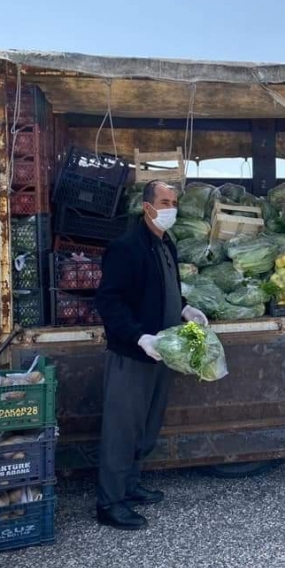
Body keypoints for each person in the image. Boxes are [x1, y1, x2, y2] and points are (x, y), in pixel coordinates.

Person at [94, 180, 209, 530]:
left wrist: (186, 309)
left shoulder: (165, 243)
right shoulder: (127, 247)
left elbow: (167, 289)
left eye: (174, 201)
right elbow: (109, 301)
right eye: (164, 201)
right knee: (122, 430)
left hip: (162, 353)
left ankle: (130, 486)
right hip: (134, 354)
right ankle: (110, 503)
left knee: (146, 427)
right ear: (147, 206)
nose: (170, 207)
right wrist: (138, 336)